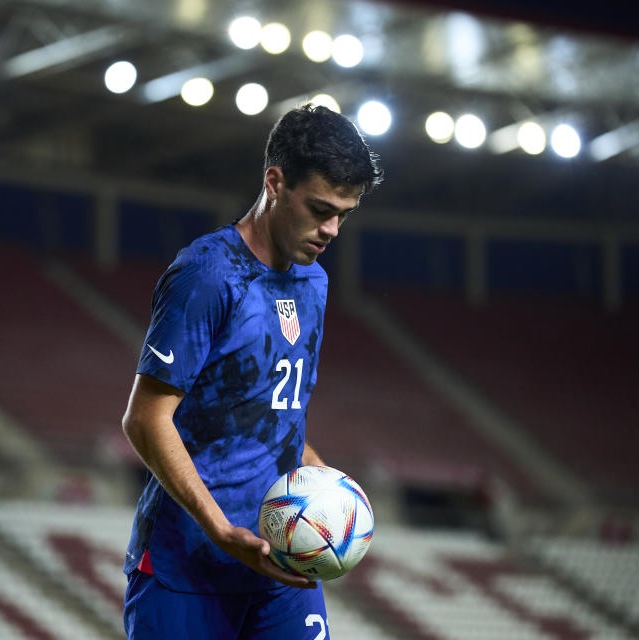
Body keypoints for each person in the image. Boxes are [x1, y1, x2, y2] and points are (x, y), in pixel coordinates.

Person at [121, 104, 383, 639]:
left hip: (279, 563)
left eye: (344, 214)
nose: (331, 229)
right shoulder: (208, 274)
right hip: (186, 566)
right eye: (319, 208)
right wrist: (219, 529)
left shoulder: (314, 283)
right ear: (275, 182)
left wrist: (318, 476)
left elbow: (274, 413)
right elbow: (145, 418)